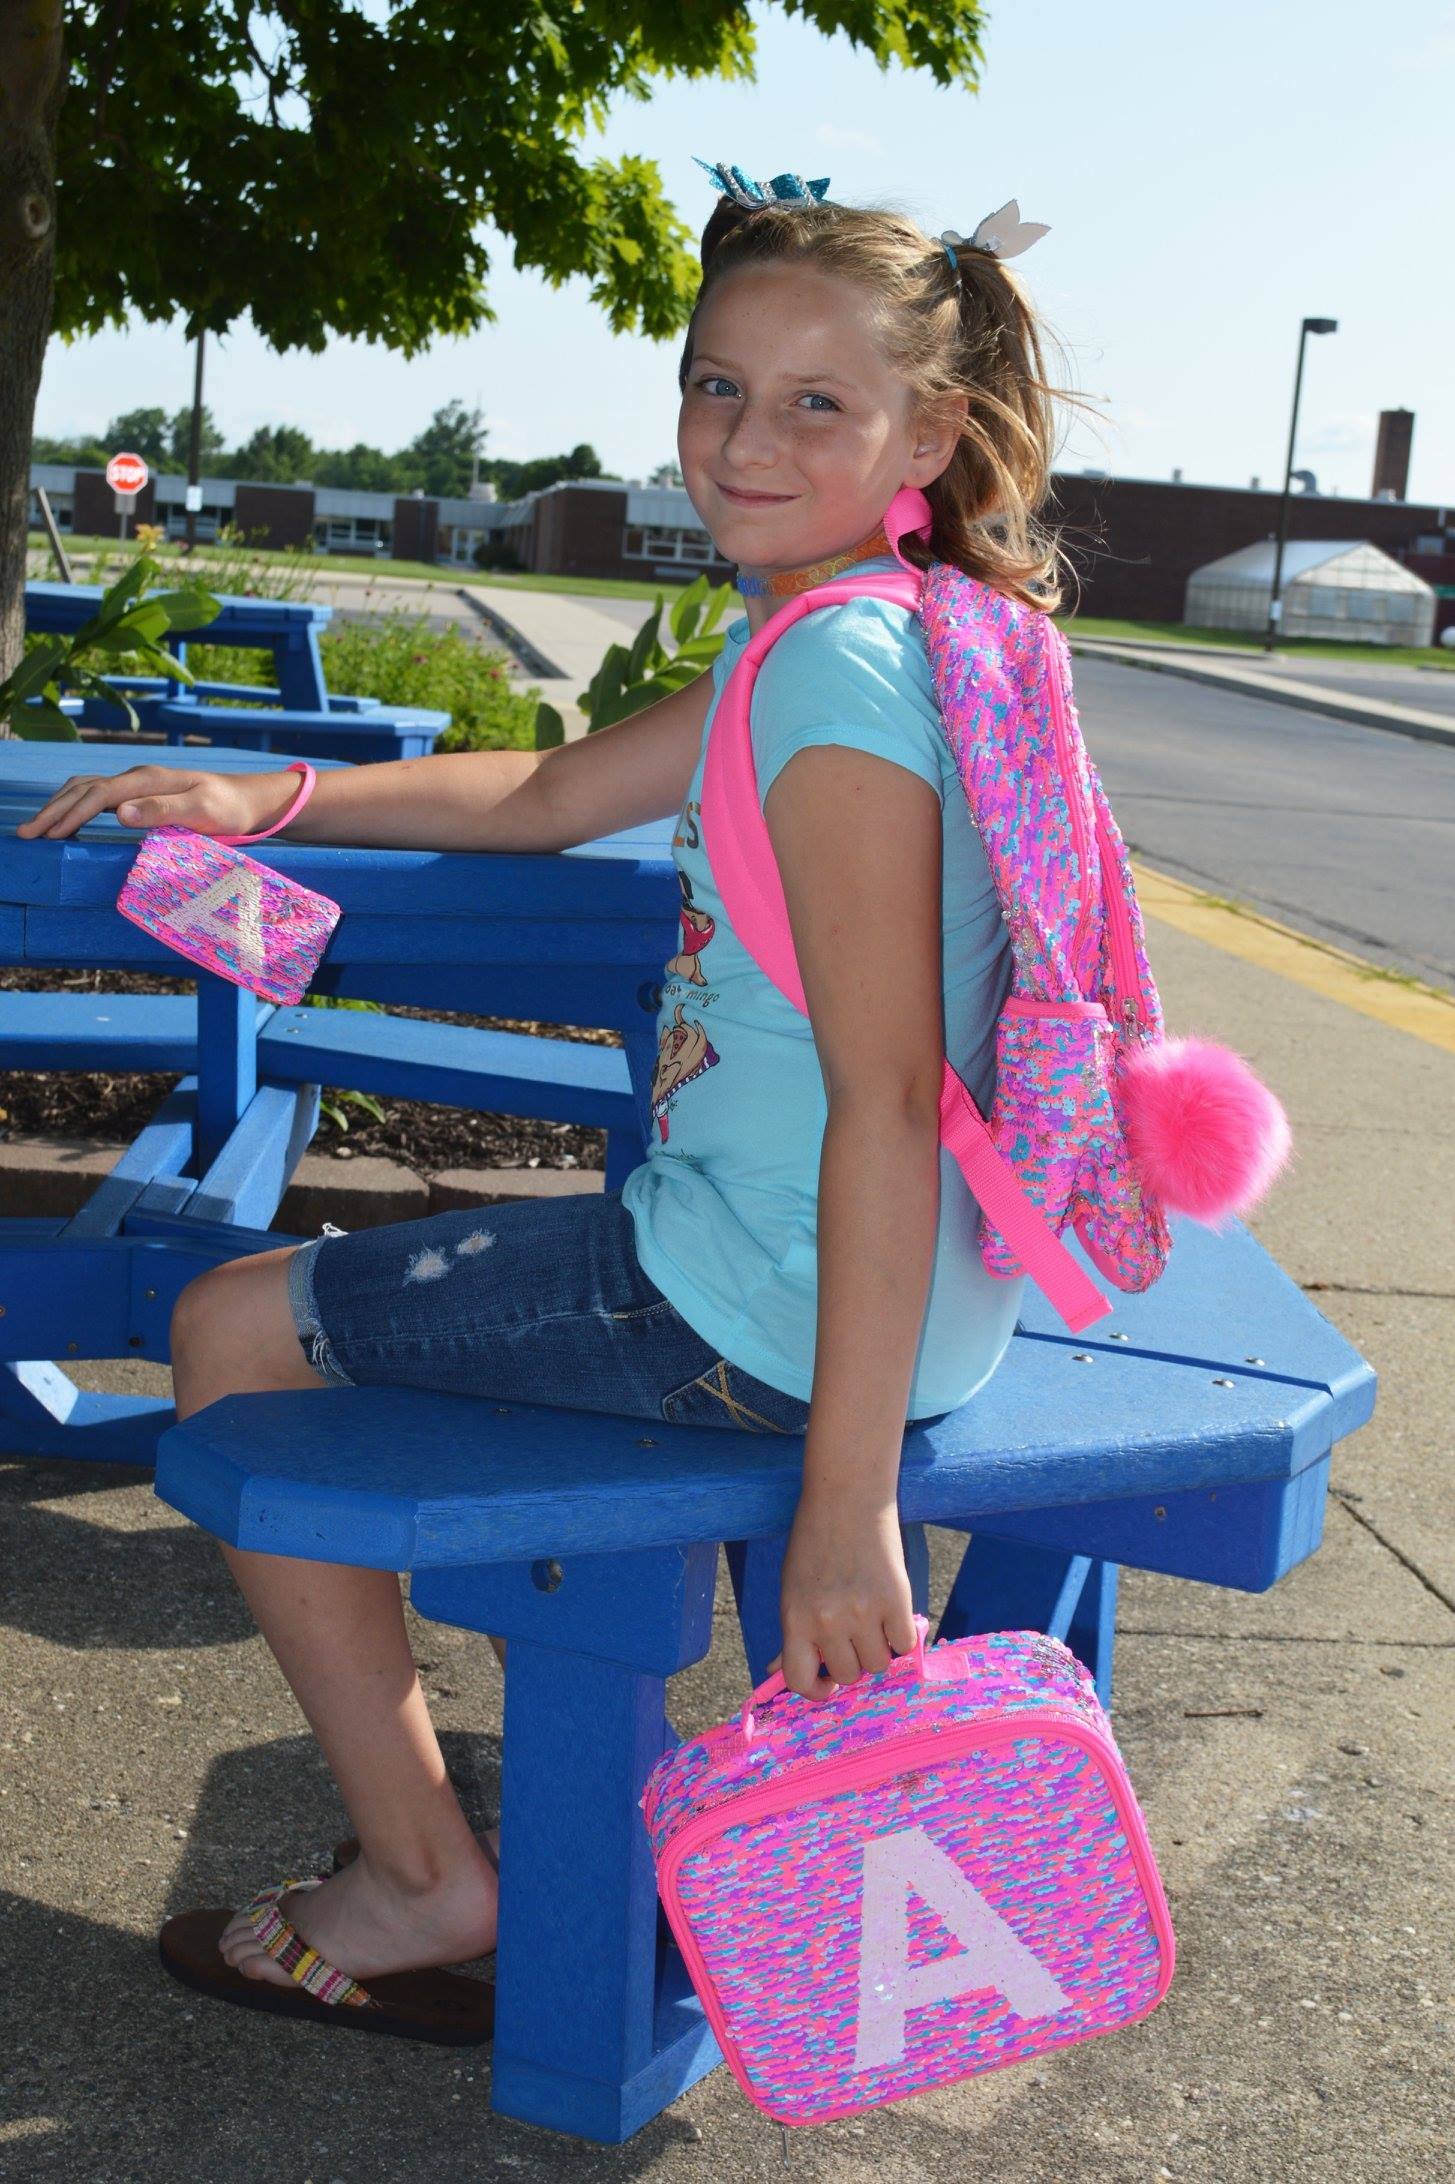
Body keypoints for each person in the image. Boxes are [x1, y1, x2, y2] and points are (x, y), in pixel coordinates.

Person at [18, 159, 1071, 2036]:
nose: (743, 437)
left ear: (933, 426)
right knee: (312, 1304)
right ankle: (446, 1838)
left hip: (758, 1309)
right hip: (852, 1289)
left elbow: (891, 1097)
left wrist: (845, 1511)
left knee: (226, 1324)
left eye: (815, 402)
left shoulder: (831, 692)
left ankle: (423, 1883)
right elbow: (548, 794)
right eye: (716, 384)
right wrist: (270, 793)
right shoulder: (861, 631)